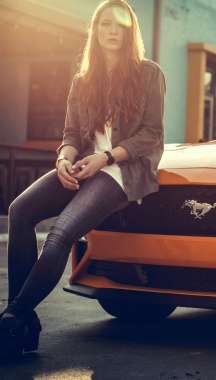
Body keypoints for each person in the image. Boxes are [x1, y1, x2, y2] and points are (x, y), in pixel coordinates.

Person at [0, 0, 166, 359]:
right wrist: (64, 158)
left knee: (60, 234)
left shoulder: (149, 73)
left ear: (129, 31)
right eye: (105, 24)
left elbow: (150, 135)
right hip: (84, 166)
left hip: (121, 171)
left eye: (119, 25)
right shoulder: (83, 80)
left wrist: (105, 158)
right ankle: (21, 318)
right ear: (95, 30)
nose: (111, 31)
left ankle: (12, 319)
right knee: (21, 210)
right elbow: (72, 133)